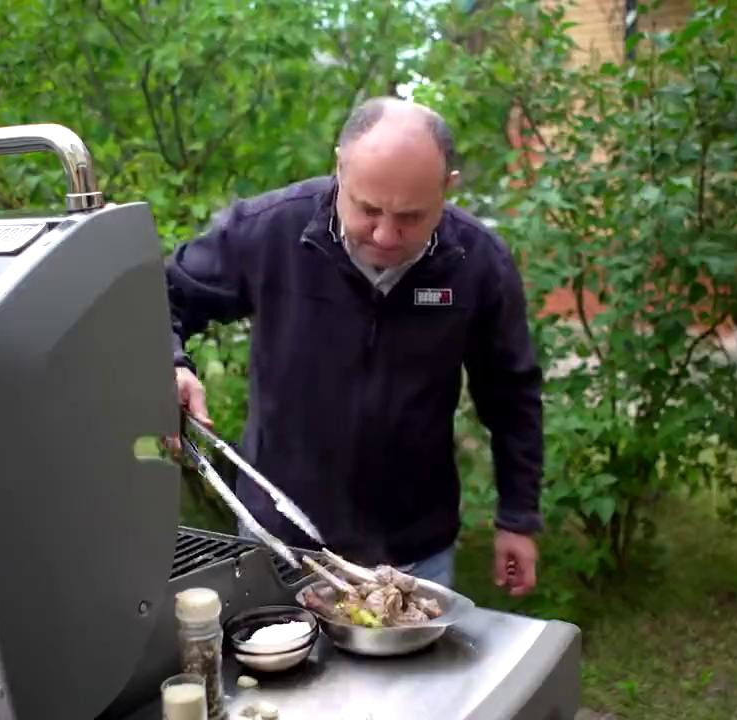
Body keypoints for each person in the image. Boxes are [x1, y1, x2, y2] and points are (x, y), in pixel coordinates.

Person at [164, 96, 542, 596]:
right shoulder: (270, 231)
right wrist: (170, 363)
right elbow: (159, 295)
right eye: (368, 209)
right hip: (279, 543)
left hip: (415, 552)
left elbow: (512, 394)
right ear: (340, 167)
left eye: (411, 216)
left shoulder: (477, 262)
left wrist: (517, 517)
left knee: (413, 675)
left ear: (447, 189)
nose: (385, 235)